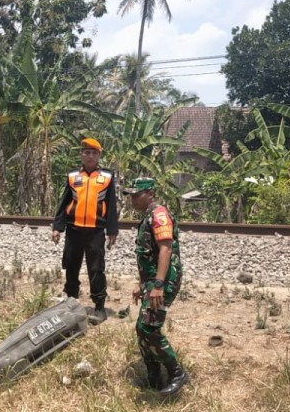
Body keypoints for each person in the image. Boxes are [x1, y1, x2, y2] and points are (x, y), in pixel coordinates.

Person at [126, 177, 188, 397]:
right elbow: (148, 255)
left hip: (164, 280)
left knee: (148, 328)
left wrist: (159, 285)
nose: (132, 199)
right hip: (153, 281)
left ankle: (176, 372)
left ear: (150, 193)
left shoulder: (159, 215)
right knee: (142, 329)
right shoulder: (149, 216)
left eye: (136, 195)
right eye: (130, 195)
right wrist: (142, 283)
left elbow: (165, 250)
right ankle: (153, 378)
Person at [51, 137, 118, 322]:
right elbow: (64, 203)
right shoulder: (73, 177)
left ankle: (99, 306)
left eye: (93, 153)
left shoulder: (107, 177)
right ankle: (70, 301)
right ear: (81, 154)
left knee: (96, 269)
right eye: (86, 152)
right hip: (74, 230)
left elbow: (111, 206)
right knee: (71, 266)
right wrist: (58, 227)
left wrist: (112, 230)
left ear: (99, 155)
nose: (89, 156)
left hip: (96, 231)